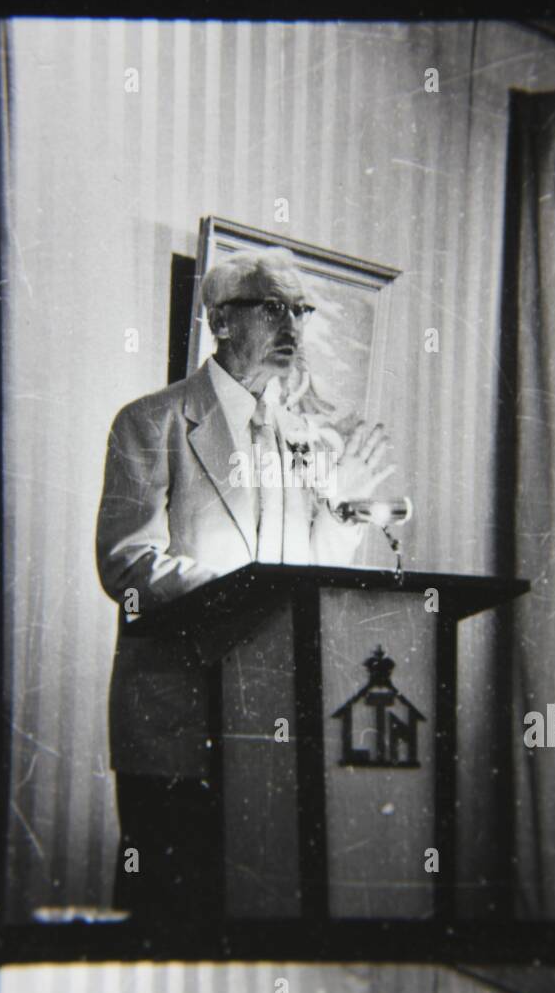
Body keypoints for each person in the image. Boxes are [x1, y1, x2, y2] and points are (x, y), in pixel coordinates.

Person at [96, 247, 394, 920]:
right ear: (221, 321)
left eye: (302, 309)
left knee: (257, 906)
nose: (293, 324)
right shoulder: (152, 422)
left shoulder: (308, 442)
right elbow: (127, 563)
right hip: (177, 722)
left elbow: (317, 570)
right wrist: (248, 593)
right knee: (168, 910)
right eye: (274, 307)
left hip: (271, 721)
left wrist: (343, 510)